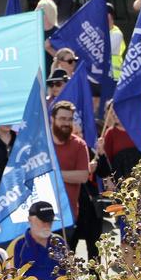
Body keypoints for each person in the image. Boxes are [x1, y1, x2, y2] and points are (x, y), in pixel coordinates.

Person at [51, 101, 100, 258]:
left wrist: (55, 174)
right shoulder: (42, 143)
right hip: (42, 215)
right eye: (62, 119)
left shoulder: (79, 145)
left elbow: (83, 176)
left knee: (64, 263)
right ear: (53, 119)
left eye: (69, 119)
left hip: (68, 216)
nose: (66, 123)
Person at [95, 100, 141, 183]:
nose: (114, 114)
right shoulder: (110, 133)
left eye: (118, 110)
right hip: (123, 183)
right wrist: (101, 152)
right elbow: (107, 165)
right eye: (112, 112)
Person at [7, 201, 69, 280]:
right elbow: (9, 279)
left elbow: (70, 273)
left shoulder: (59, 242)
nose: (47, 225)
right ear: (30, 220)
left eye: (50, 221)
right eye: (43, 221)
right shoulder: (17, 245)